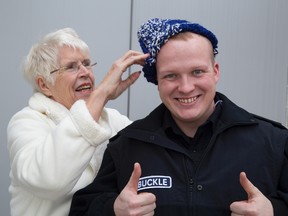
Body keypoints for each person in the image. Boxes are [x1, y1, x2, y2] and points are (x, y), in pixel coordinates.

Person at [68, 18, 288, 216]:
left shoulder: (273, 142)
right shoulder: (127, 146)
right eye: (171, 76)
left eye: (197, 72)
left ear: (216, 71)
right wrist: (113, 209)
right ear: (158, 81)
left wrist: (274, 211)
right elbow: (81, 210)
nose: (186, 87)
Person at [7, 27, 149, 216]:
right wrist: (102, 94)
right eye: (71, 67)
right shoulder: (26, 122)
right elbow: (50, 180)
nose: (85, 72)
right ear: (44, 85)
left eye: (87, 64)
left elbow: (150, 146)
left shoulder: (111, 119)